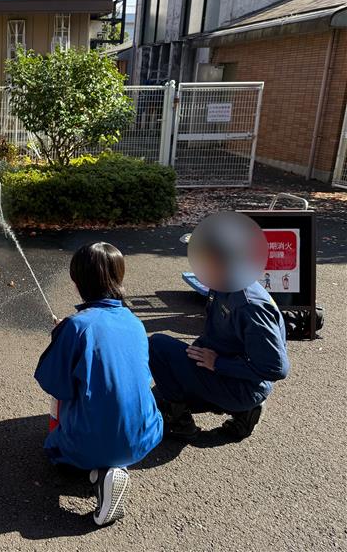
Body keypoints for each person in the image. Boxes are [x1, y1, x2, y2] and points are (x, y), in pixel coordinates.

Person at [34, 242, 163, 526]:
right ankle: (112, 466)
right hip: (145, 437)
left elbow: (53, 383)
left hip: (88, 444)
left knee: (54, 447)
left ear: (78, 281)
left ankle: (100, 469)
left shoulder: (76, 326)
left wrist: (60, 339)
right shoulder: (135, 322)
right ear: (118, 277)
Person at [149, 213, 289, 442]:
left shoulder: (249, 305)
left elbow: (276, 368)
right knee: (159, 393)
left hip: (243, 387)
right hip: (230, 371)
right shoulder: (225, 283)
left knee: (158, 346)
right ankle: (242, 412)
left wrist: (218, 363)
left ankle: (181, 423)